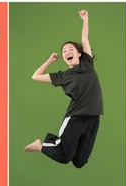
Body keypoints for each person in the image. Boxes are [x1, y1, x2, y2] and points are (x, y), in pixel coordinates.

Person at [24, 10, 103, 169]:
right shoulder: (63, 76)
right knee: (65, 156)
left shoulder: (87, 63)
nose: (67, 52)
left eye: (70, 49)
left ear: (79, 53)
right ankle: (39, 145)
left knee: (79, 162)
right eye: (64, 51)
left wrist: (85, 19)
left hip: (94, 117)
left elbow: (84, 38)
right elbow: (36, 76)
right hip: (75, 116)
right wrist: (50, 60)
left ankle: (54, 144)